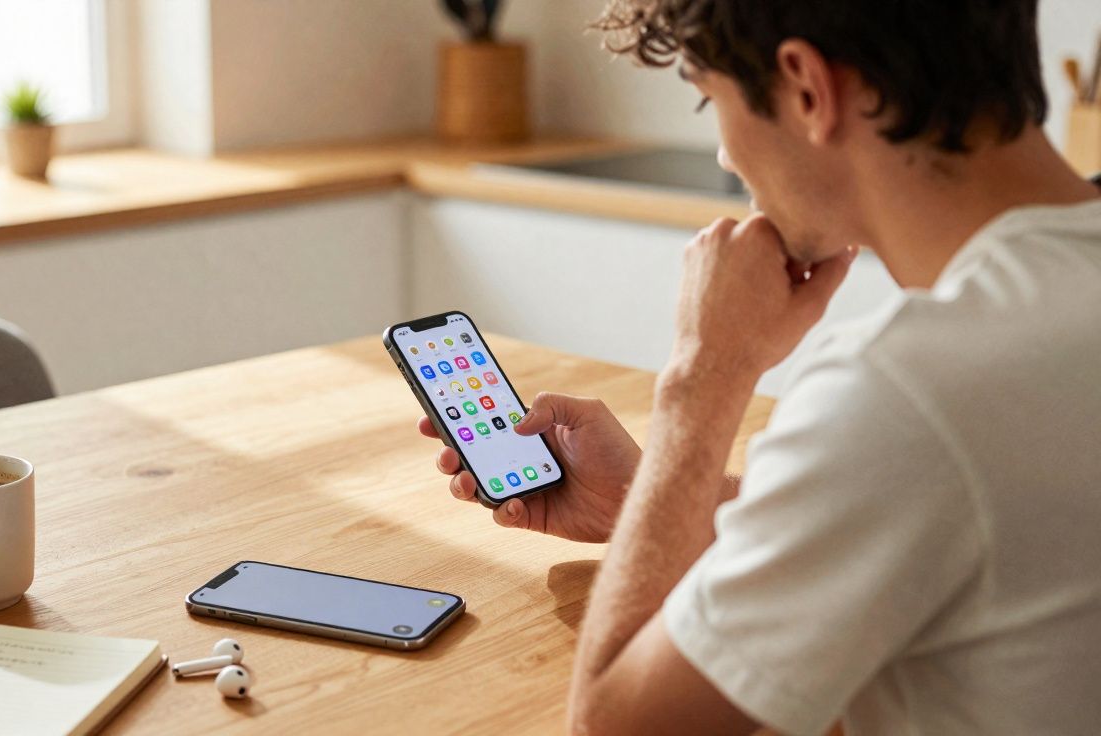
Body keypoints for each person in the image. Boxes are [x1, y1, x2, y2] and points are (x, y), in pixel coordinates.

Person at [416, 1, 1101, 733]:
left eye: (712, 100)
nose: (724, 155)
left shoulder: (908, 387)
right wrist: (655, 498)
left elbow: (614, 724)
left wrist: (702, 375)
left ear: (808, 89)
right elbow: (932, 508)